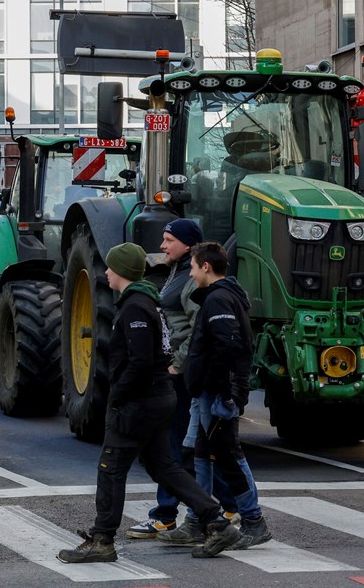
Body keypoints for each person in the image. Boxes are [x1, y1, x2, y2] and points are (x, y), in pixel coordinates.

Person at [57, 242, 249, 564]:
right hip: (157, 398)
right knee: (165, 467)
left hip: (138, 403)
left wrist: (116, 397)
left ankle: (102, 539)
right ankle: (216, 521)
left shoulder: (134, 307)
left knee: (111, 469)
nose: (106, 271)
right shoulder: (146, 302)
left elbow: (142, 360)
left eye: (110, 266)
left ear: (121, 271)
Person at [127, 219, 238, 541]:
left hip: (182, 375)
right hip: (179, 371)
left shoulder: (190, 282)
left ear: (187, 244)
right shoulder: (177, 273)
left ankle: (165, 516)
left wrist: (176, 365)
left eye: (168, 240)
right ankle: (227, 506)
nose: (162, 246)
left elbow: (196, 329)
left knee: (173, 447)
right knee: (194, 447)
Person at [181, 241, 272, 548]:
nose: (191, 274)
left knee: (229, 455)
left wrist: (222, 392)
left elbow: (227, 346)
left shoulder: (218, 300)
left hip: (217, 394)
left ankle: (253, 521)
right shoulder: (222, 297)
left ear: (206, 267)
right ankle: (198, 520)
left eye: (193, 267)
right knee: (203, 455)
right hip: (214, 391)